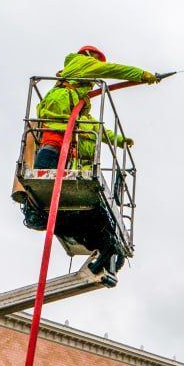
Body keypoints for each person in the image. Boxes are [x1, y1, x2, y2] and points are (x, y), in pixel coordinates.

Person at [20, 45, 162, 277]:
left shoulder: (78, 103)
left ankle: (106, 253)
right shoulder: (79, 64)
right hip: (55, 145)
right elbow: (116, 70)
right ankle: (36, 209)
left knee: (81, 216)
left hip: (65, 152)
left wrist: (119, 141)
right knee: (46, 199)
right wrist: (143, 75)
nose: (97, 71)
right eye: (97, 64)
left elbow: (96, 128)